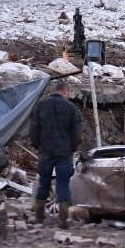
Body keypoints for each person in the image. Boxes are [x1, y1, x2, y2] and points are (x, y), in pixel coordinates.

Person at [29, 82, 83, 228]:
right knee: (63, 185)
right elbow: (77, 134)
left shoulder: (40, 106)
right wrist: (72, 147)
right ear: (65, 92)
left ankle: (39, 216)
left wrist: (38, 145)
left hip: (45, 151)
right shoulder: (71, 108)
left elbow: (33, 130)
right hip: (64, 152)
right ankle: (63, 220)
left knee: (44, 183)